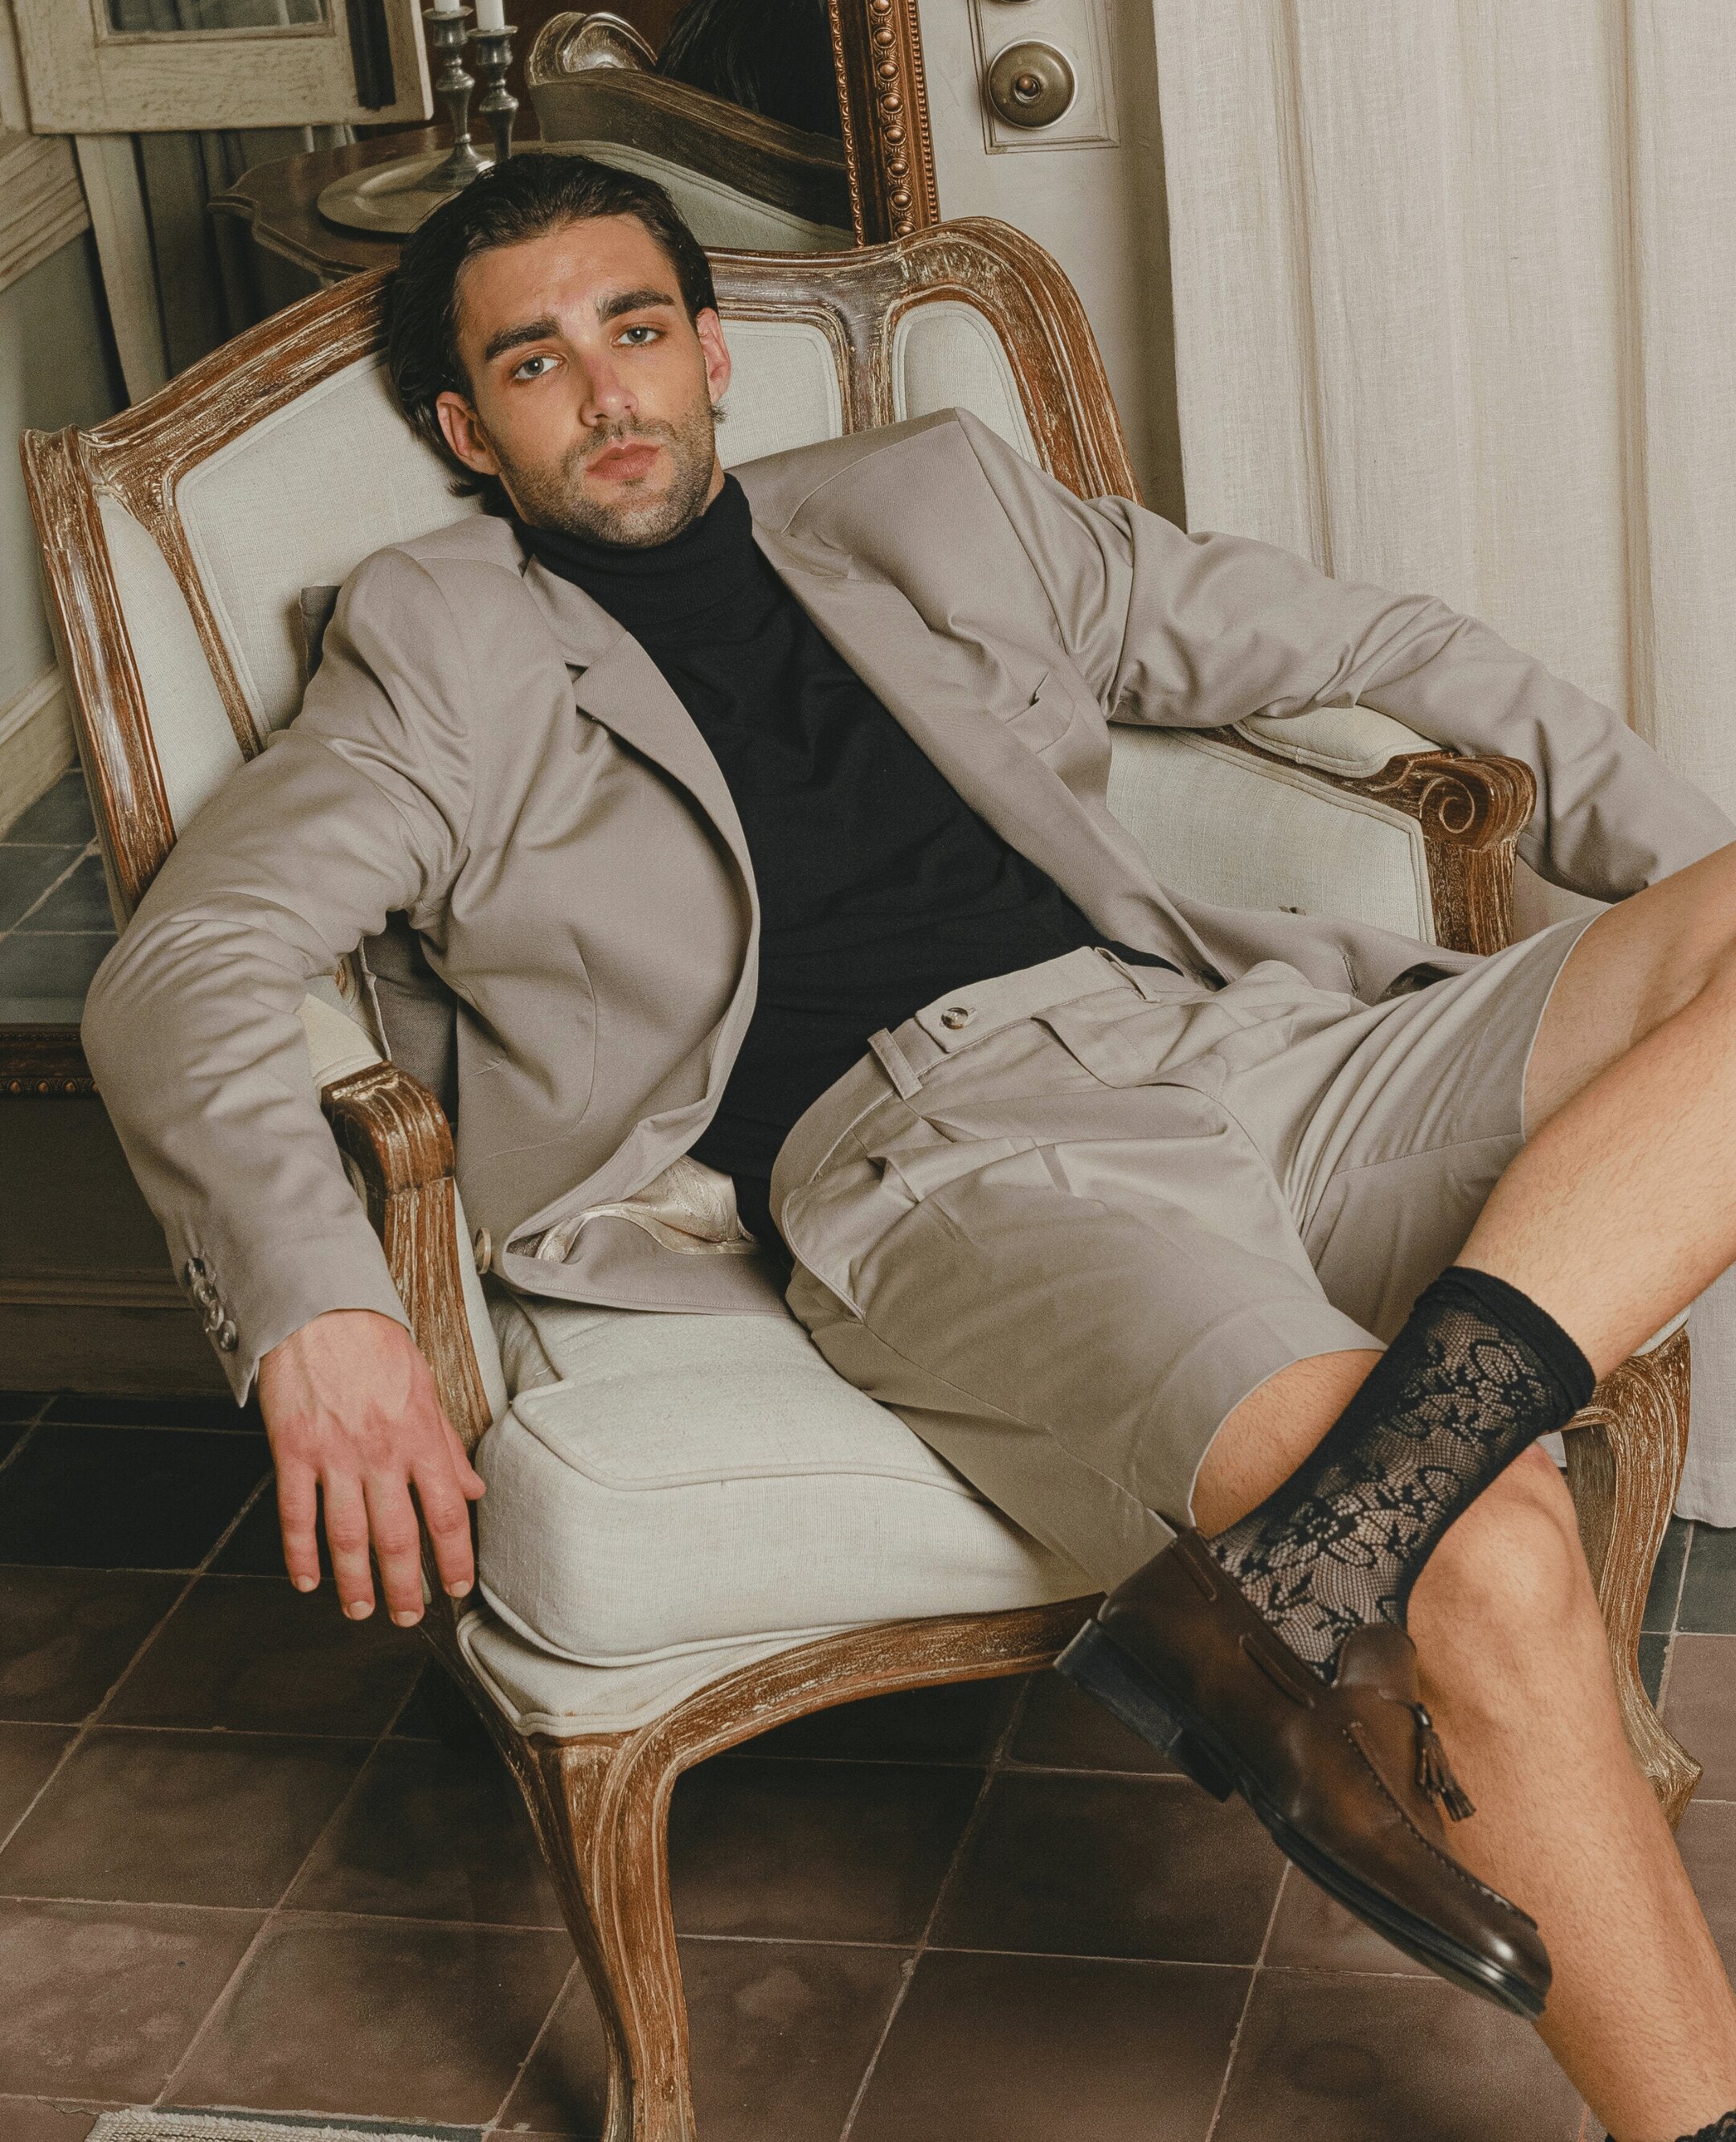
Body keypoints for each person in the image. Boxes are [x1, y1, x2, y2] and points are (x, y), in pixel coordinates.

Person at [80, 152, 1736, 2140]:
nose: (603, 393)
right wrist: (320, 1304)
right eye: (533, 364)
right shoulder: (436, 644)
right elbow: (189, 963)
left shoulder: (936, 500)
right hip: (958, 1160)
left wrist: (1689, 911)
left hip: (1250, 1044)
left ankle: (1314, 1563)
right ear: (466, 429)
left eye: (634, 331)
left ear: (712, 352)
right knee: (1490, 1550)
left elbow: (1368, 640)